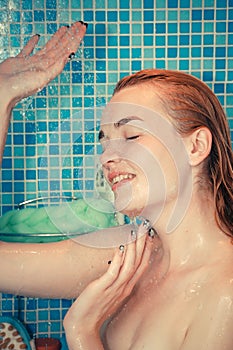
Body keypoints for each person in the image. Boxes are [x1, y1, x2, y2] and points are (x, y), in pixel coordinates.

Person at [0, 22, 232, 350]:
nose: (106, 156)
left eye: (132, 135)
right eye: (104, 141)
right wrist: (2, 95)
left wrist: (82, 331)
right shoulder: (128, 255)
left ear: (195, 147)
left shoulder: (226, 290)